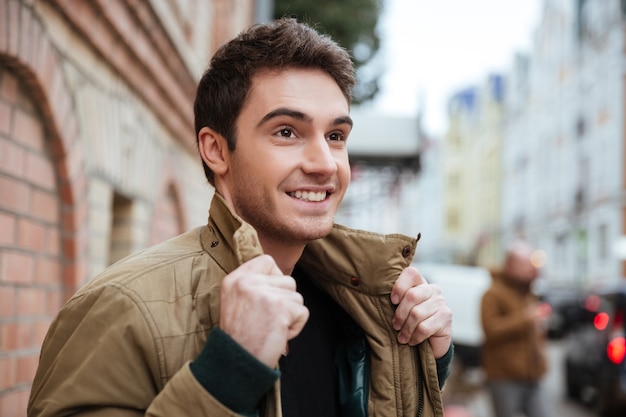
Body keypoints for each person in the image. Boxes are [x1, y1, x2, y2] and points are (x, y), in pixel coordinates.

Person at [28, 18, 453, 417]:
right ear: (216, 150)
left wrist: (423, 359)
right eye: (287, 131)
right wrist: (229, 369)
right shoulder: (121, 308)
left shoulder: (365, 304)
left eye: (336, 136)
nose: (326, 163)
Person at [480, 241, 549, 417]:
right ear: (510, 265)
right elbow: (490, 330)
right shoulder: (492, 294)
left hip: (533, 373)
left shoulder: (527, 291)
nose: (529, 269)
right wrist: (525, 318)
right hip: (504, 375)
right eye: (525, 265)